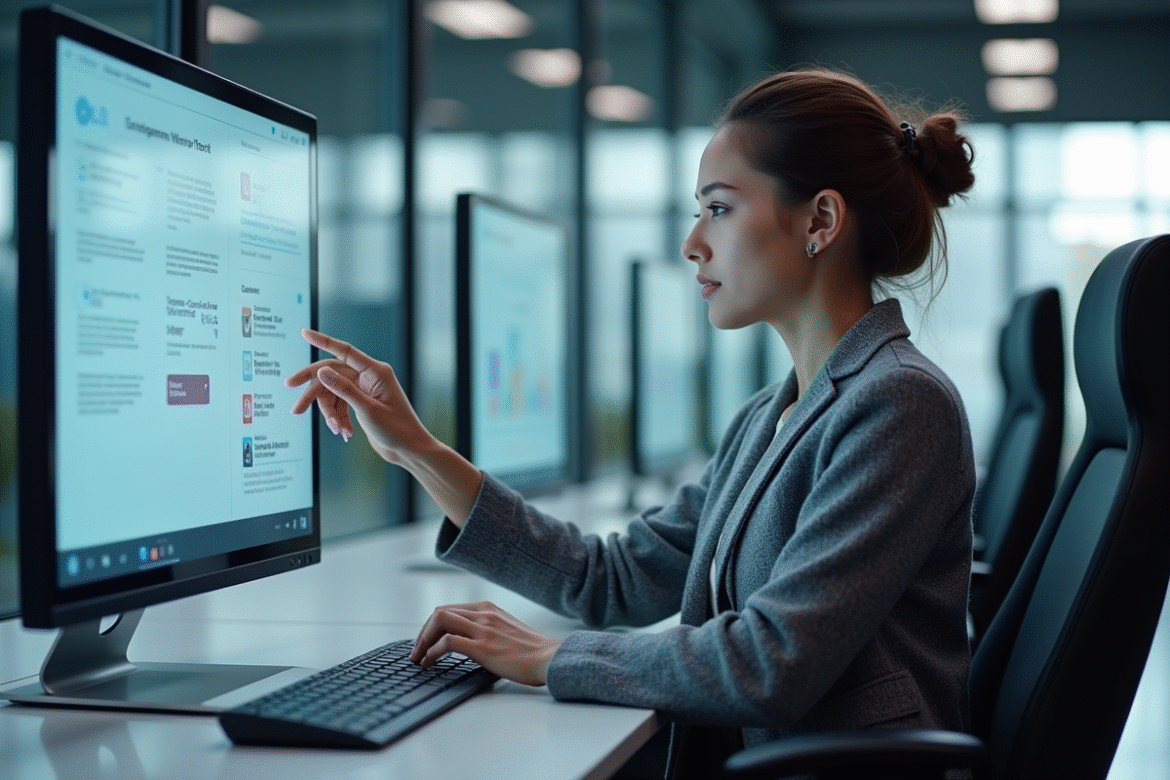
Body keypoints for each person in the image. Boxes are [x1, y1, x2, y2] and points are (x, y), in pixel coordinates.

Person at [286, 67, 977, 779]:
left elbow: (772, 662)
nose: (692, 244)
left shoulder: (898, 404)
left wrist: (549, 656)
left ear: (820, 221)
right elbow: (611, 579)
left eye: (718, 209)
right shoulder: (771, 417)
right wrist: (421, 452)